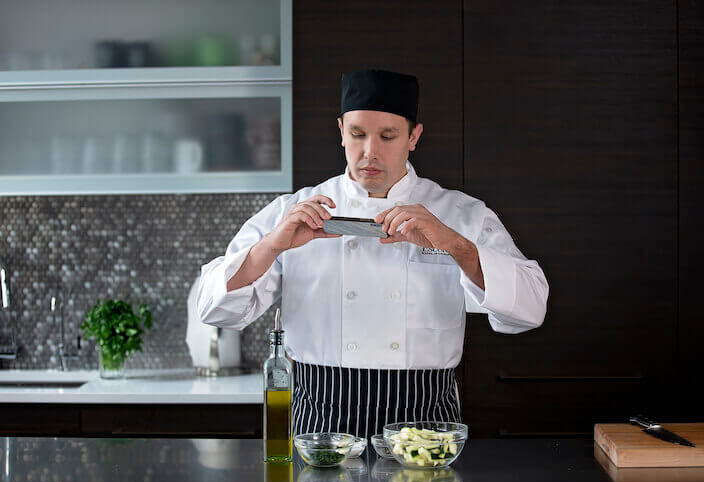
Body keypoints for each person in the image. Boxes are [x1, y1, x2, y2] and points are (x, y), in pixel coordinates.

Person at [197, 69, 549, 439]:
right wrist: (272, 245)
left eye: (388, 136)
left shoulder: (461, 214)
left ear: (414, 137)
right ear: (341, 131)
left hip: (425, 420)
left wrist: (455, 245)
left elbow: (531, 308)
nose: (370, 152)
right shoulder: (293, 210)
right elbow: (213, 308)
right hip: (321, 419)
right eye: (358, 134)